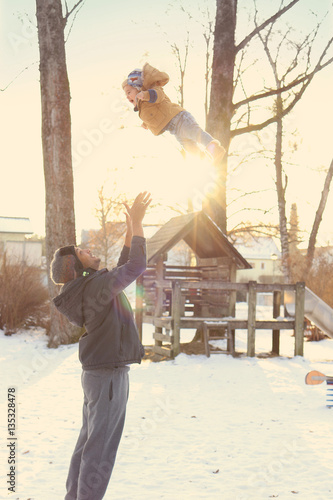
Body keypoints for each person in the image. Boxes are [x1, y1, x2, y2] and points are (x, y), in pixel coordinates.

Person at [50, 192, 151, 500]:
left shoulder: (87, 288)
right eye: (83, 252)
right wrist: (137, 227)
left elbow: (122, 267)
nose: (90, 251)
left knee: (88, 443)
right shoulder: (94, 286)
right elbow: (136, 266)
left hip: (97, 374)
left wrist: (134, 227)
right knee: (100, 450)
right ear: (77, 266)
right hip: (107, 374)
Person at [122, 62, 226, 164]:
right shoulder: (143, 107)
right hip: (174, 129)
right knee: (189, 148)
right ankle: (205, 159)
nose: (127, 96)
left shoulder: (152, 92)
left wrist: (146, 95)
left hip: (180, 119)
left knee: (195, 133)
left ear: (138, 87)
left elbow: (158, 95)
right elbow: (153, 115)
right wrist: (146, 123)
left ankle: (215, 149)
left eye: (129, 92)